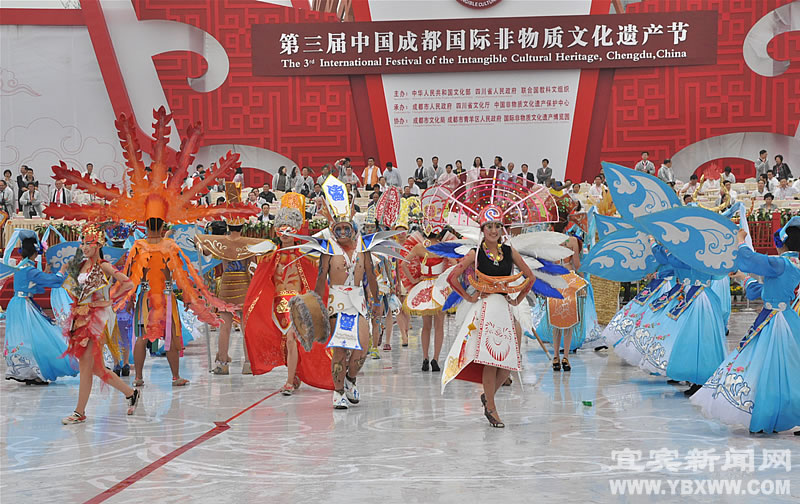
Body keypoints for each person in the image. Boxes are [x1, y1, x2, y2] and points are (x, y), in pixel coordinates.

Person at [691, 224, 800, 433]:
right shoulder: (792, 264)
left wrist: (740, 240)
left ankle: (767, 415)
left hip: (774, 322)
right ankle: (775, 415)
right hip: (785, 319)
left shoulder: (782, 263)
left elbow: (753, 260)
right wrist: (742, 276)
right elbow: (762, 290)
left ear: (784, 244)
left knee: (766, 368)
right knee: (787, 369)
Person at [243, 197, 334, 395]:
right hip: (275, 307)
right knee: (284, 343)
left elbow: (314, 280)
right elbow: (260, 281)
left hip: (297, 305)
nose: (285, 233)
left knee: (293, 339)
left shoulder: (306, 255)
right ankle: (295, 374)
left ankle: (289, 382)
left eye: (289, 228)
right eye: (281, 228)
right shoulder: (269, 255)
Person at [60, 224, 139, 424]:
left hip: (97, 317)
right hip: (81, 315)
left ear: (99, 244)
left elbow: (128, 283)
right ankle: (131, 393)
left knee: (86, 364)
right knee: (96, 368)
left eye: (89, 243)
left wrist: (110, 298)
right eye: (83, 243)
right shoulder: (81, 265)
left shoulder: (103, 265)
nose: (85, 247)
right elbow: (71, 286)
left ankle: (79, 411)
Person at [313, 177, 379, 409]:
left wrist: (377, 301)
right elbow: (321, 278)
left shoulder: (364, 247)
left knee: (361, 349)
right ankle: (338, 391)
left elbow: (370, 275)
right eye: (338, 228)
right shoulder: (328, 248)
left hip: (359, 301)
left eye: (346, 228)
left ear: (353, 228)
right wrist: (315, 305)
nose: (342, 231)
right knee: (340, 351)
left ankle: (350, 380)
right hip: (337, 300)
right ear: (333, 229)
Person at [196, 187, 263, 375]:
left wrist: (197, 239)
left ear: (228, 226)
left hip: (226, 286)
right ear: (243, 226)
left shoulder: (221, 241)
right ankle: (248, 364)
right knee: (245, 326)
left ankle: (222, 364)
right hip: (244, 285)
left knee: (224, 326)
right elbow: (252, 266)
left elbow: (204, 250)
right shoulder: (248, 243)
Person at [2, 231, 78, 385]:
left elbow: (36, 280)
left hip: (18, 303)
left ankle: (27, 371)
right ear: (35, 253)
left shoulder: (22, 267)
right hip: (25, 306)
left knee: (26, 338)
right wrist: (62, 270)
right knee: (37, 337)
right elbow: (53, 282)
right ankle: (33, 372)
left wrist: (46, 273)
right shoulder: (30, 270)